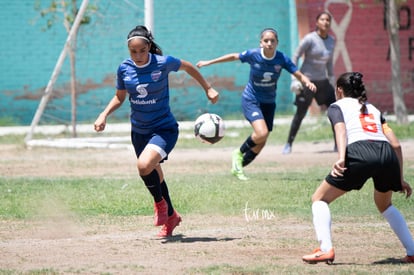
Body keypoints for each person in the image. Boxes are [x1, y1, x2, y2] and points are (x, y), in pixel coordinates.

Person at [94, 25, 219, 237]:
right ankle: (172, 218)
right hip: (139, 132)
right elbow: (119, 97)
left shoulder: (163, 63)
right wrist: (103, 114)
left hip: (163, 129)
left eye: (142, 50)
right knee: (155, 174)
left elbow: (188, 67)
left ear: (149, 47)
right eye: (133, 51)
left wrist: (208, 88)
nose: (138, 55)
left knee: (144, 166)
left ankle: (160, 204)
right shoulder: (124, 68)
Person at [302, 72, 414, 264]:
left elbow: (341, 129)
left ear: (339, 90)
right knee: (385, 205)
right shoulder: (373, 108)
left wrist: (341, 158)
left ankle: (326, 249)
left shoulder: (336, 106)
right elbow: (395, 144)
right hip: (386, 154)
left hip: (360, 152)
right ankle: (412, 251)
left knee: (319, 199)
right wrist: (399, 177)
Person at [197, 28, 316, 180]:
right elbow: (234, 56)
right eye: (266, 40)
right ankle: (238, 153)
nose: (269, 43)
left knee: (261, 141)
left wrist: (307, 82)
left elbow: (297, 73)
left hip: (269, 103)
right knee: (261, 133)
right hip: (251, 99)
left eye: (272, 41)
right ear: (261, 43)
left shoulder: (281, 59)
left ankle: (238, 167)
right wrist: (209, 62)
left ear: (277, 43)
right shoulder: (253, 55)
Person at [282, 12, 336, 155]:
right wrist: (295, 79)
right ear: (317, 22)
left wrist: (333, 81)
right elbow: (295, 56)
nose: (325, 22)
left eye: (328, 20)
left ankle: (339, 143)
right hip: (307, 81)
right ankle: (288, 144)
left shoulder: (331, 41)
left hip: (322, 82)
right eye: (322, 19)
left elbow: (329, 63)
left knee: (336, 111)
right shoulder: (310, 39)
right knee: (300, 113)